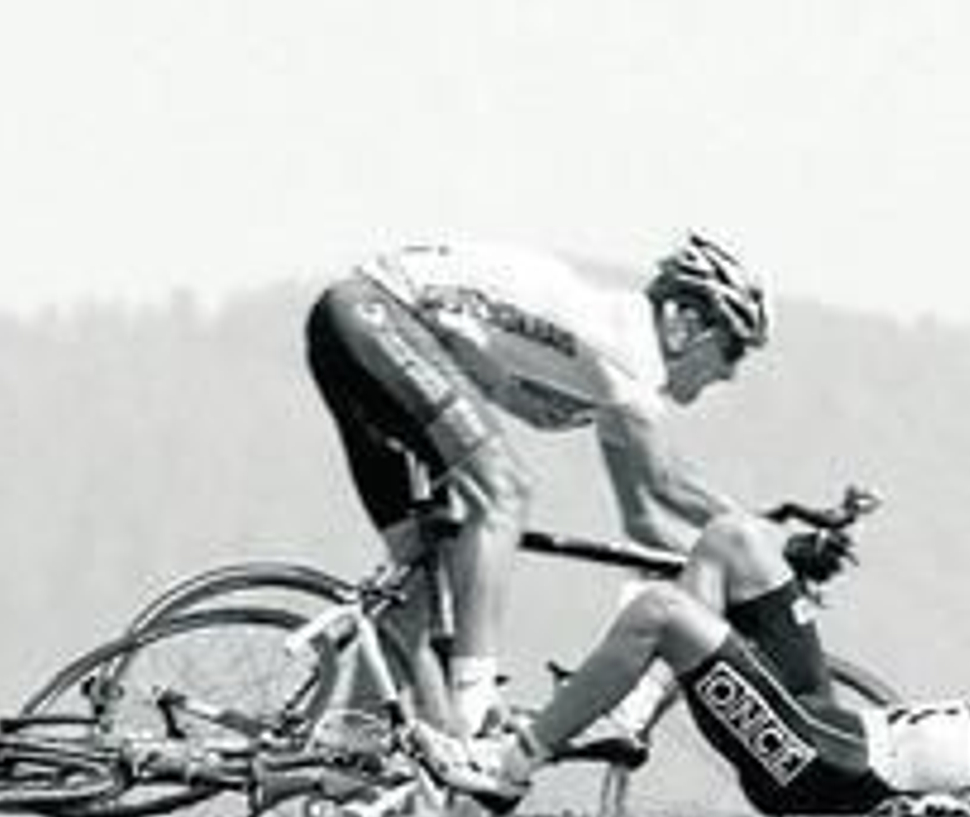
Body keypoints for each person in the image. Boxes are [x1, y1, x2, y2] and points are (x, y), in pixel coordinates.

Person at [409, 510, 970, 817]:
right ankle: (628, 713)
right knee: (734, 538)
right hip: (832, 723)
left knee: (659, 611)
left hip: (830, 771)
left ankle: (508, 767)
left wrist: (947, 814)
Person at [305, 233, 767, 736]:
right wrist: (765, 547)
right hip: (377, 316)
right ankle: (474, 701)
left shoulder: (614, 370)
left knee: (419, 567)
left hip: (354, 323)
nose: (732, 373)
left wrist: (716, 569)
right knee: (505, 493)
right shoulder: (630, 350)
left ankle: (356, 742)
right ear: (685, 323)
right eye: (732, 349)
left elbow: (643, 519)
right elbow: (664, 482)